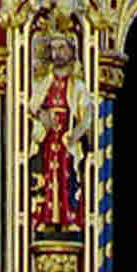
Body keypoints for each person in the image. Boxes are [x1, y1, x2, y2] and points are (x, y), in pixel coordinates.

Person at [29, 34, 91, 233]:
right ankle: (46, 217)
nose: (57, 54)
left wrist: (75, 134)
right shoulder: (44, 82)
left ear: (71, 51)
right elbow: (31, 106)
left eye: (62, 48)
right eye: (54, 49)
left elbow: (87, 116)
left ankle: (69, 217)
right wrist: (41, 114)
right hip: (48, 138)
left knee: (68, 176)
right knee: (48, 177)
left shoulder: (78, 85)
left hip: (67, 139)